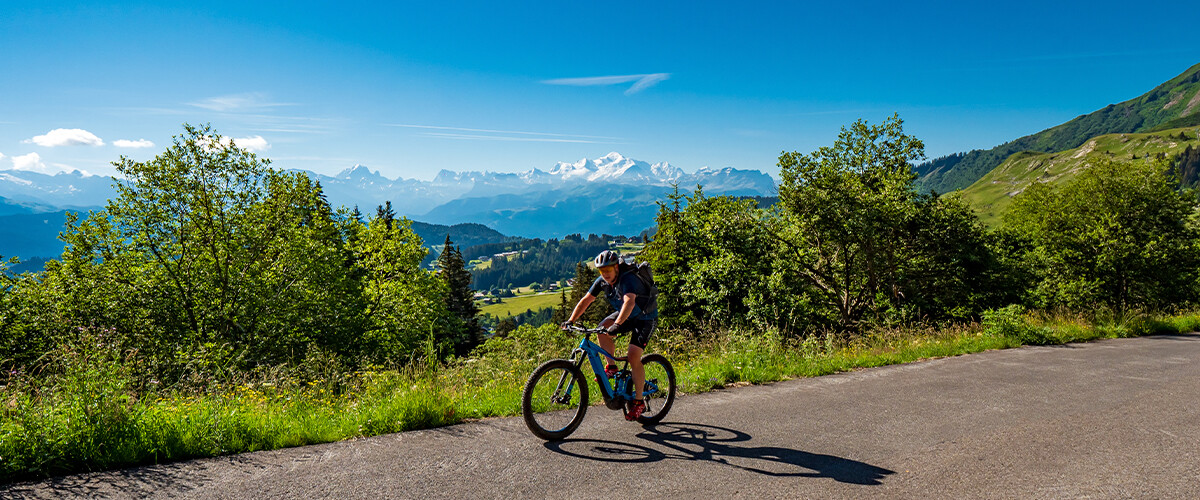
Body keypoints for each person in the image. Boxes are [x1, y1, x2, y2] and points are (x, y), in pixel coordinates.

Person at [560, 250, 658, 420]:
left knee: (633, 356)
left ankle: (638, 402)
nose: (605, 274)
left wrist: (617, 325)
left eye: (608, 270)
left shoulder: (628, 279)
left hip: (645, 317)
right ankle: (611, 367)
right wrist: (571, 320)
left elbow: (629, 302)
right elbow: (586, 300)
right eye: (601, 271)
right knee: (602, 329)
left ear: (616, 268)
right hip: (626, 314)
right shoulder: (603, 282)